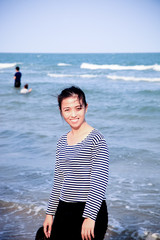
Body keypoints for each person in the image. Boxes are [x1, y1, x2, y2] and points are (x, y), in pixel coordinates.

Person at [43, 86, 109, 240]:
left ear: (86, 107)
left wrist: (90, 217)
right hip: (64, 208)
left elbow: (99, 181)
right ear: (61, 111)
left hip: (90, 209)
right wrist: (50, 213)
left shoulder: (96, 139)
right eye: (67, 110)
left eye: (78, 108)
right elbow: (58, 180)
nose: (73, 114)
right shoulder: (61, 141)